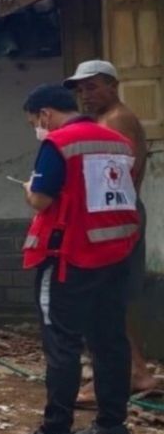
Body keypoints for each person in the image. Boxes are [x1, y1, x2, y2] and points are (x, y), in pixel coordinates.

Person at [9, 84, 139, 434]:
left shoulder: (59, 144)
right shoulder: (116, 142)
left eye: (35, 121)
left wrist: (29, 189)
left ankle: (55, 433)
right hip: (115, 254)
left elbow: (42, 198)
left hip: (69, 258)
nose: (38, 128)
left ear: (46, 114)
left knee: (61, 341)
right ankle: (112, 424)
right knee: (110, 339)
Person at [64, 60, 158, 403]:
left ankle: (121, 376)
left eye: (92, 87)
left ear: (112, 86)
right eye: (80, 89)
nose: (85, 95)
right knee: (111, 298)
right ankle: (134, 370)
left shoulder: (117, 119)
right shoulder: (101, 120)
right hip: (110, 216)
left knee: (106, 298)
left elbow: (121, 173)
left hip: (116, 217)